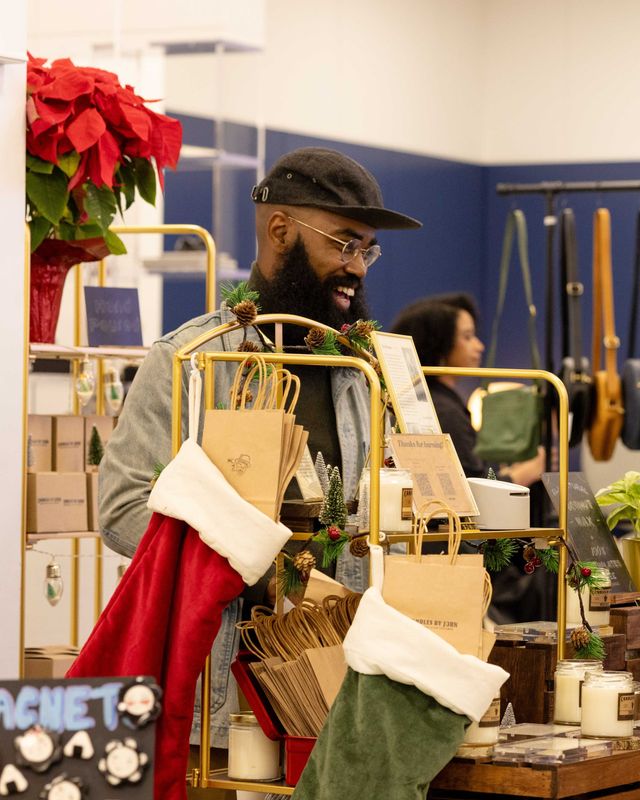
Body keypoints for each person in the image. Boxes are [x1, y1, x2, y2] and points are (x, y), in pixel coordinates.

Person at [99, 147, 422, 766]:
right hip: (219, 710)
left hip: (343, 706)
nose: (356, 267)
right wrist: (246, 555)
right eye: (344, 244)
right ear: (280, 230)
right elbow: (120, 510)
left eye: (367, 250)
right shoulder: (192, 361)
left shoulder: (366, 371)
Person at [389, 293, 544, 486]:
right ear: (440, 345)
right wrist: (525, 473)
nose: (479, 346)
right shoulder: (443, 412)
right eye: (467, 337)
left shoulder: (432, 401)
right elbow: (471, 487)